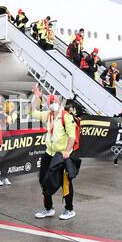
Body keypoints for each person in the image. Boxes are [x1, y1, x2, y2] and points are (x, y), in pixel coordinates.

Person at [30, 86, 78, 220]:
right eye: (50, 103)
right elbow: (32, 112)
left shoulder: (66, 117)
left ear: (59, 102)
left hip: (62, 155)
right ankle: (48, 208)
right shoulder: (48, 115)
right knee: (44, 180)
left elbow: (72, 136)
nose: (52, 104)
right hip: (49, 153)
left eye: (54, 102)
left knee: (65, 183)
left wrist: (67, 151)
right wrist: (36, 97)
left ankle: (69, 209)